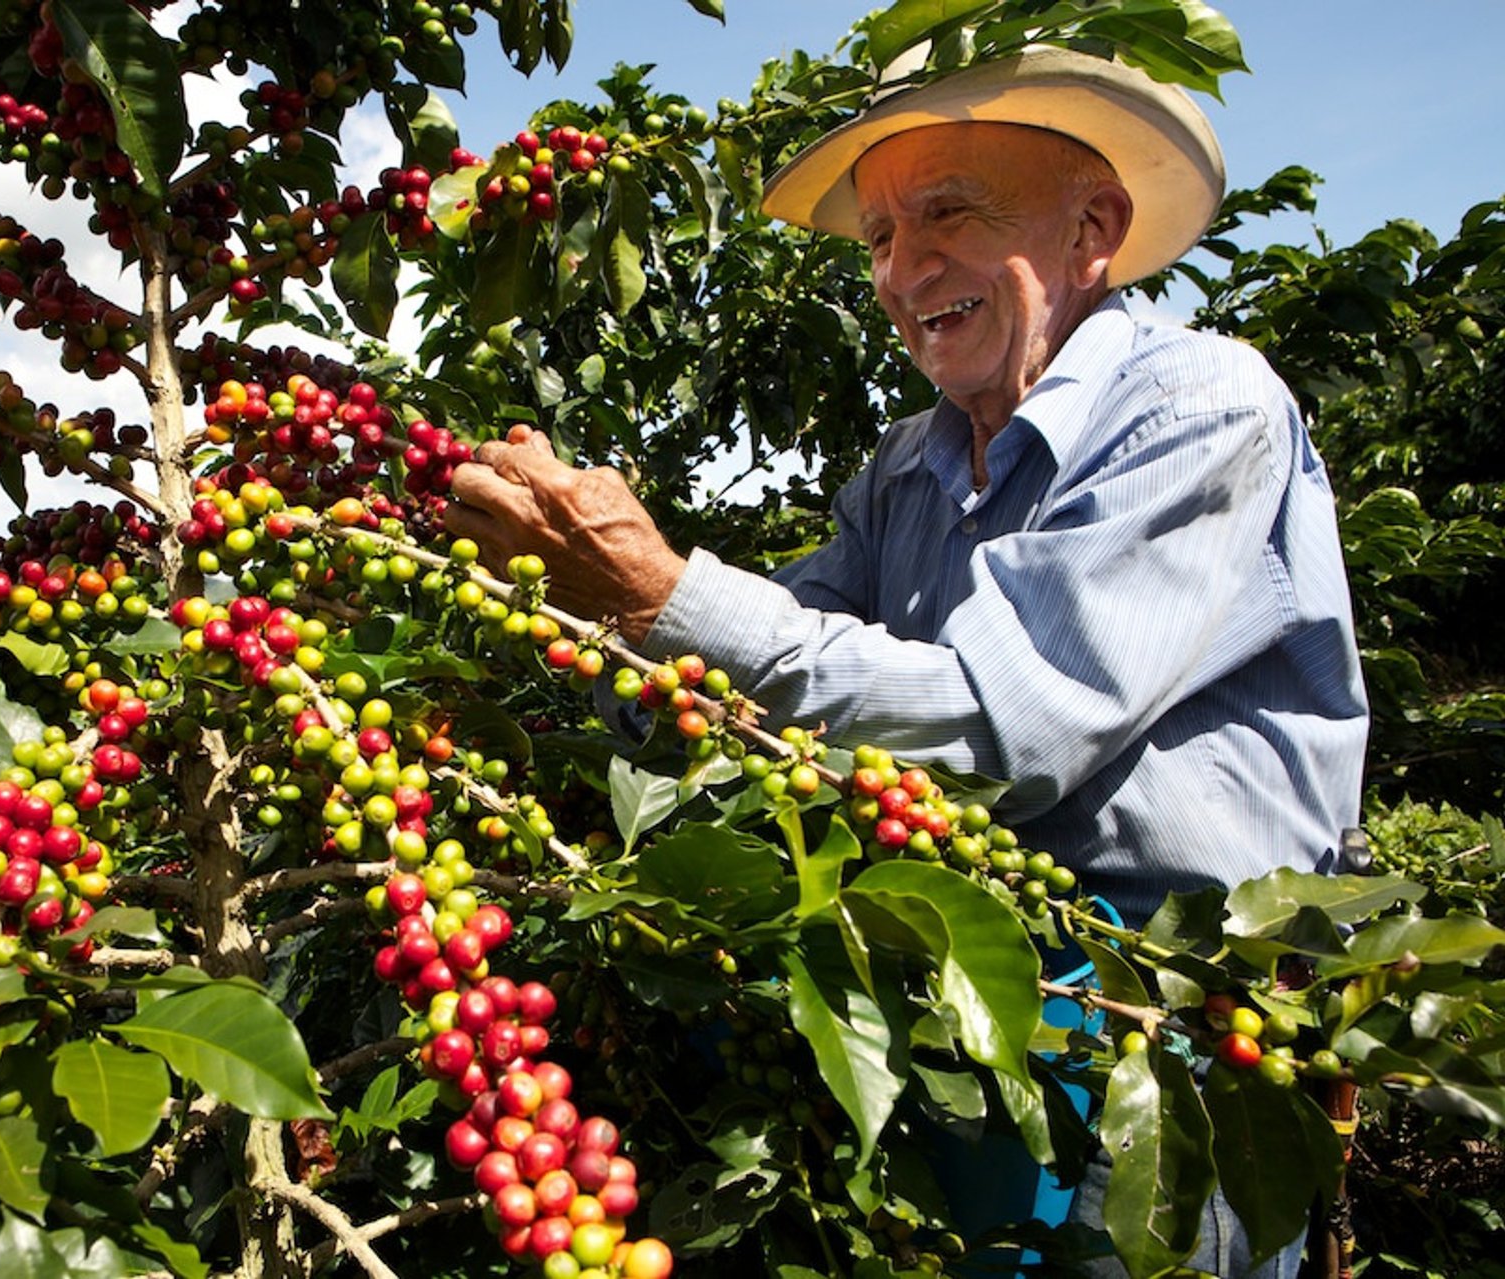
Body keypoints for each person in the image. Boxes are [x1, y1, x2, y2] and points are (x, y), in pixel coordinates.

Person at [444, 45, 1370, 1277]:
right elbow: (742, 699)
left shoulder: (1199, 406)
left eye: (947, 214)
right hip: (968, 1006)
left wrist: (659, 596)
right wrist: (592, 617)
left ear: (1093, 227)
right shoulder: (902, 470)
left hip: (1178, 1039)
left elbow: (1006, 727)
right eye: (879, 235)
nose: (900, 271)